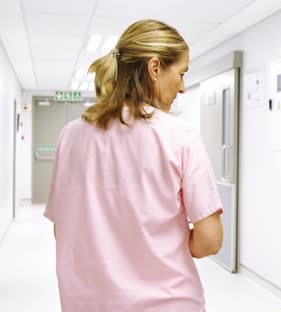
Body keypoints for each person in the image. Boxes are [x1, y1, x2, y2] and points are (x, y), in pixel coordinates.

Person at [44, 19, 223, 312]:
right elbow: (209, 240)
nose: (182, 88)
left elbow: (60, 229)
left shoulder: (71, 135)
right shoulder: (179, 135)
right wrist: (161, 246)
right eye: (181, 73)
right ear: (155, 68)